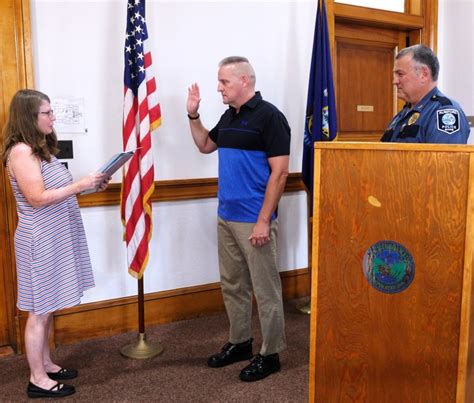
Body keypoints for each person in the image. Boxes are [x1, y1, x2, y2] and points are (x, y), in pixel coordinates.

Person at [186, 56, 291, 382]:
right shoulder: (229, 117)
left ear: (245, 81)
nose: (218, 88)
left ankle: (271, 353)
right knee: (233, 285)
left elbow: (280, 172)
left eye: (224, 82)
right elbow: (205, 145)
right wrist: (193, 114)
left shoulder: (270, 117)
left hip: (253, 219)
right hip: (226, 215)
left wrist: (263, 220)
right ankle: (241, 342)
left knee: (266, 287)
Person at [1, 89, 110, 398]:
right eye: (46, 113)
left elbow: (58, 190)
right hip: (39, 239)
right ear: (29, 117)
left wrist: (92, 186)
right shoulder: (21, 151)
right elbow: (36, 199)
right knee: (38, 310)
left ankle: (46, 363)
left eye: (51, 112)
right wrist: (80, 184)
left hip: (55, 235)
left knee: (47, 308)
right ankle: (37, 379)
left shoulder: (41, 149)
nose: (53, 117)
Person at [381, 44, 469, 144]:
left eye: (400, 74)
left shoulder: (444, 112)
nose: (395, 81)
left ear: (424, 74)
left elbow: (444, 159)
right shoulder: (403, 114)